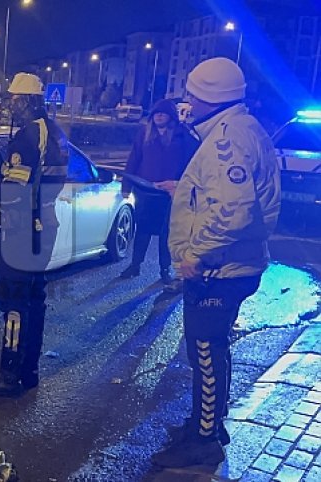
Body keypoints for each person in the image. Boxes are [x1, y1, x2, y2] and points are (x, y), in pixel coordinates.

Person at [152, 57, 280, 468]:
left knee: (205, 353)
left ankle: (204, 440)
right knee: (212, 351)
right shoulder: (238, 129)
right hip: (229, 265)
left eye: (191, 94)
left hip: (218, 269)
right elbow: (225, 197)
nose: (185, 103)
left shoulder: (227, 140)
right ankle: (207, 422)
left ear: (210, 97)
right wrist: (186, 193)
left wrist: (194, 254)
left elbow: (233, 212)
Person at [0, 73, 67, 397]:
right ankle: (29, 371)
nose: (9, 104)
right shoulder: (53, 131)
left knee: (13, 303)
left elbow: (14, 193)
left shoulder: (27, 137)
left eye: (13, 99)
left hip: (23, 231)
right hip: (43, 227)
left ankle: (8, 375)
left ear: (26, 101)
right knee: (35, 301)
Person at [119, 99, 199, 292]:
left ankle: (165, 269)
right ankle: (135, 265)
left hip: (170, 194)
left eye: (163, 113)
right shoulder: (145, 134)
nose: (159, 116)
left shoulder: (183, 136)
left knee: (167, 234)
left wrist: (181, 185)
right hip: (146, 191)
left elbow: (194, 163)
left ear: (171, 116)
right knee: (142, 230)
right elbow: (134, 160)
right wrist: (126, 186)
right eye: (156, 113)